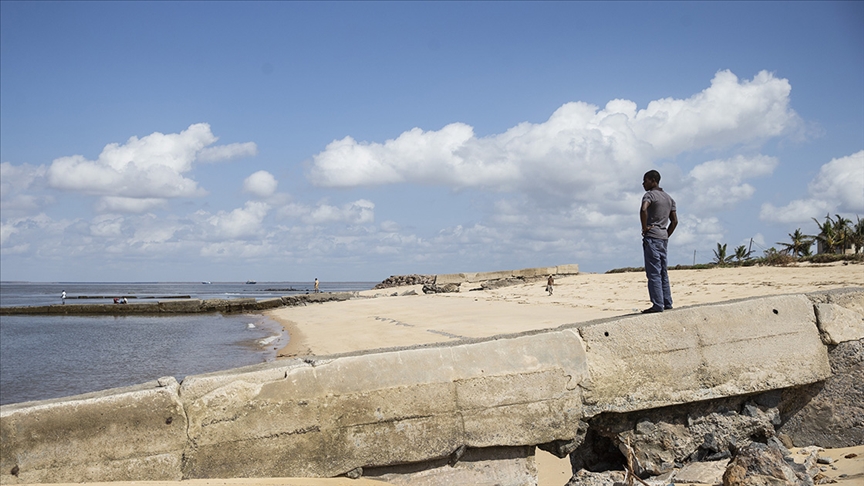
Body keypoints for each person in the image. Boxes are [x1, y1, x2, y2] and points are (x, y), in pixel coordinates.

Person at [640, 169, 677, 313]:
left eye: (645, 180)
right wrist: (666, 234)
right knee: (663, 272)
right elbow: (674, 221)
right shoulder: (669, 198)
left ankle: (657, 304)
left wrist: (644, 228)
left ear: (653, 180)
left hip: (652, 236)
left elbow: (643, 210)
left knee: (653, 272)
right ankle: (667, 302)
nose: (643, 184)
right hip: (663, 237)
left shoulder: (650, 195)